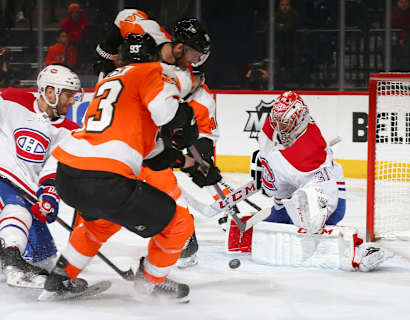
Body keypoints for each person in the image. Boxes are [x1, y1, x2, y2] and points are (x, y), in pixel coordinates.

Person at [39, 32, 221, 301]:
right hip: (107, 179)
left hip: (70, 174)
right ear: (151, 57)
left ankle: (60, 278)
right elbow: (165, 113)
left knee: (97, 225)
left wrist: (190, 164)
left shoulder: (109, 80)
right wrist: (186, 118)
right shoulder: (151, 72)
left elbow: (151, 152)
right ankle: (150, 282)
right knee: (179, 224)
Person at [246, 91, 389, 271]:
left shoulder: (308, 150)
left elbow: (322, 196)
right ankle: (281, 213)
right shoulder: (288, 118)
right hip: (301, 179)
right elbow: (269, 129)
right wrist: (264, 158)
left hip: (328, 191)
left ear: (298, 119)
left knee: (311, 221)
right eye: (278, 123)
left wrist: (267, 172)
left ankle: (359, 250)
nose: (281, 129)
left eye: (286, 124)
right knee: (281, 201)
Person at [0, 64, 82, 288]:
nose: (72, 101)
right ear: (49, 92)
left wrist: (49, 196)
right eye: (67, 95)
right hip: (3, 180)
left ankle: (9, 256)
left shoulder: (70, 130)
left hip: (27, 193)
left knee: (45, 260)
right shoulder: (10, 100)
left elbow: (56, 167)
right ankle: (12, 263)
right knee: (16, 210)